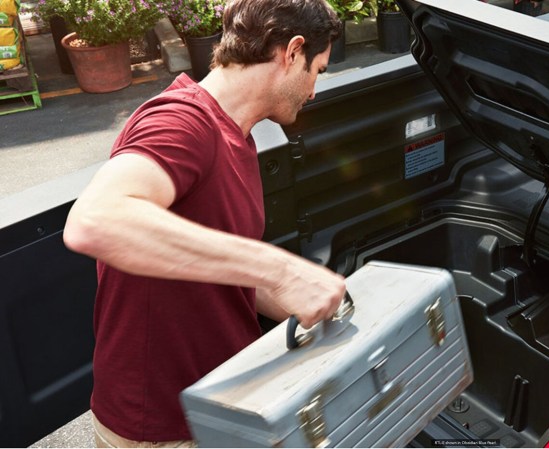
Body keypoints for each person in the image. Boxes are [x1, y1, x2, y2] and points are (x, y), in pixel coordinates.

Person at [61, 0, 345, 445]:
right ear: (292, 52)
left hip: (220, 403)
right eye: (319, 70)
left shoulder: (240, 134)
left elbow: (227, 275)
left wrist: (315, 301)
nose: (314, 90)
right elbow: (95, 221)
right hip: (159, 426)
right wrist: (282, 268)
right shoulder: (182, 121)